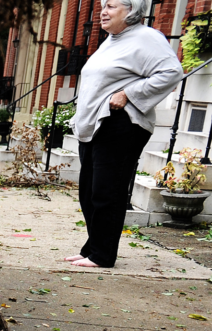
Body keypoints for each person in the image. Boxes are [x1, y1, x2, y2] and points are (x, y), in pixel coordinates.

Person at [68, 0, 183, 267]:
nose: (103, 11)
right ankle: (92, 248)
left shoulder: (146, 38)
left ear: (131, 11)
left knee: (107, 192)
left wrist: (128, 94)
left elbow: (171, 72)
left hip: (121, 123)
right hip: (95, 124)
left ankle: (102, 255)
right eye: (102, 6)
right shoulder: (111, 40)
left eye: (111, 6)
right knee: (89, 193)